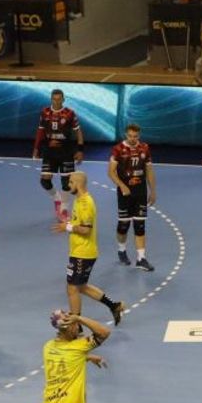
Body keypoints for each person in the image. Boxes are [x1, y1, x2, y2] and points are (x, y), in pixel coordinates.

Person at [53, 171, 124, 322]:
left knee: (72, 288)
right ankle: (114, 306)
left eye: (71, 182)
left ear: (78, 184)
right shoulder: (79, 200)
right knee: (81, 286)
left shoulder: (85, 203)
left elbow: (86, 230)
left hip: (83, 252)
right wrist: (69, 224)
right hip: (79, 251)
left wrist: (67, 227)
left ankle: (76, 325)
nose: (68, 185)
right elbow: (79, 223)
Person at [108, 123, 156, 271]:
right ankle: (121, 250)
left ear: (139, 136)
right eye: (130, 136)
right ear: (126, 135)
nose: (133, 138)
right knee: (124, 225)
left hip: (140, 192)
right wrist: (122, 185)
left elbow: (149, 170)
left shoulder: (144, 148)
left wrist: (153, 191)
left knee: (140, 225)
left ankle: (141, 258)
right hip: (125, 193)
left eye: (135, 136)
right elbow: (111, 172)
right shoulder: (118, 149)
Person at [33, 89, 85, 221]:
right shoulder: (45, 112)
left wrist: (80, 150)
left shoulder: (69, 113)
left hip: (66, 152)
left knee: (67, 184)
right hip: (49, 152)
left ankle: (64, 209)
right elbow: (40, 132)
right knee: (45, 180)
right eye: (54, 99)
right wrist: (36, 148)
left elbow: (78, 131)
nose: (56, 102)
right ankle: (57, 198)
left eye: (59, 99)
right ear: (51, 99)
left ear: (63, 99)